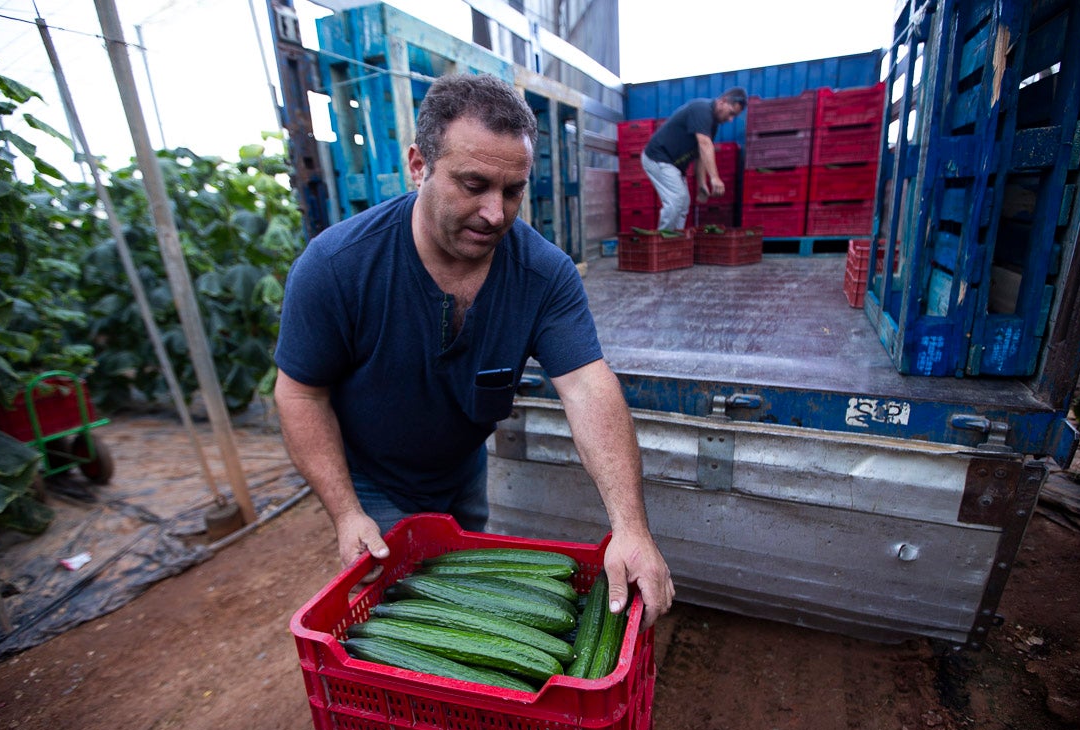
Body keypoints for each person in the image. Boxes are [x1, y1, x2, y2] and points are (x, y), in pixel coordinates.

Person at [273, 72, 674, 629]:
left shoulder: (544, 274)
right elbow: (300, 393)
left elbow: (587, 386)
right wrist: (346, 512)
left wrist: (630, 527)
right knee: (415, 624)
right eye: (473, 184)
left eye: (512, 191)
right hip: (372, 479)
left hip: (463, 467)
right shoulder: (337, 267)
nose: (495, 213)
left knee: (470, 601)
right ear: (419, 166)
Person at [641, 87, 747, 231]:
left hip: (673, 165)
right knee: (676, 199)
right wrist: (714, 178)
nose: (730, 119)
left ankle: (676, 239)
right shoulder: (701, 109)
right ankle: (663, 239)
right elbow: (704, 144)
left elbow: (701, 155)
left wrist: (701, 184)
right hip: (658, 157)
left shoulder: (712, 125)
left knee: (684, 202)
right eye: (731, 113)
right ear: (723, 101)